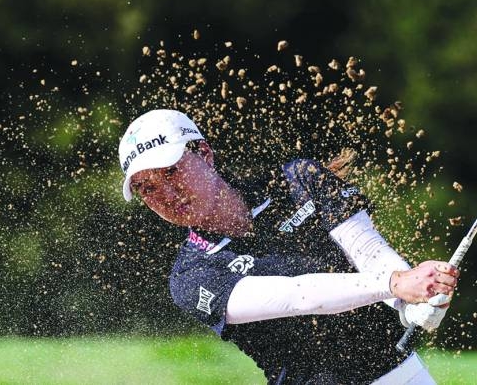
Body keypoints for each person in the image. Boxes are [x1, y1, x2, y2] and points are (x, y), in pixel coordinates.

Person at [119, 108, 459, 384]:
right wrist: (396, 285)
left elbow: (370, 253)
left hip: (403, 372)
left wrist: (411, 301)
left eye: (171, 171)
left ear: (205, 154)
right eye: (147, 189)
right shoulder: (191, 275)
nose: (165, 193)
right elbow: (298, 295)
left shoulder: (297, 180)